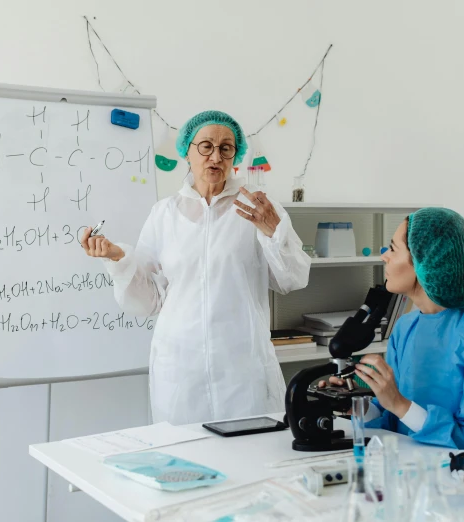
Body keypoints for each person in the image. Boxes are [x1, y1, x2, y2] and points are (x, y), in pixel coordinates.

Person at [79, 110, 311, 425]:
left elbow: (293, 278)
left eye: (226, 148)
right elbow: (148, 300)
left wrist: (273, 231)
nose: (215, 155)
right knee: (185, 464)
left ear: (235, 155)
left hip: (242, 369)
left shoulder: (258, 209)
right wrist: (119, 258)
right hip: (180, 370)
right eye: (206, 146)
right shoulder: (164, 214)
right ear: (187, 151)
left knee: (249, 457)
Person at [322, 208, 464, 466]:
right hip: (414, 472)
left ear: (426, 260)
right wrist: (357, 404)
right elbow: (395, 421)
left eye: (392, 248)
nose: (384, 256)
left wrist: (399, 403)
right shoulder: (405, 328)